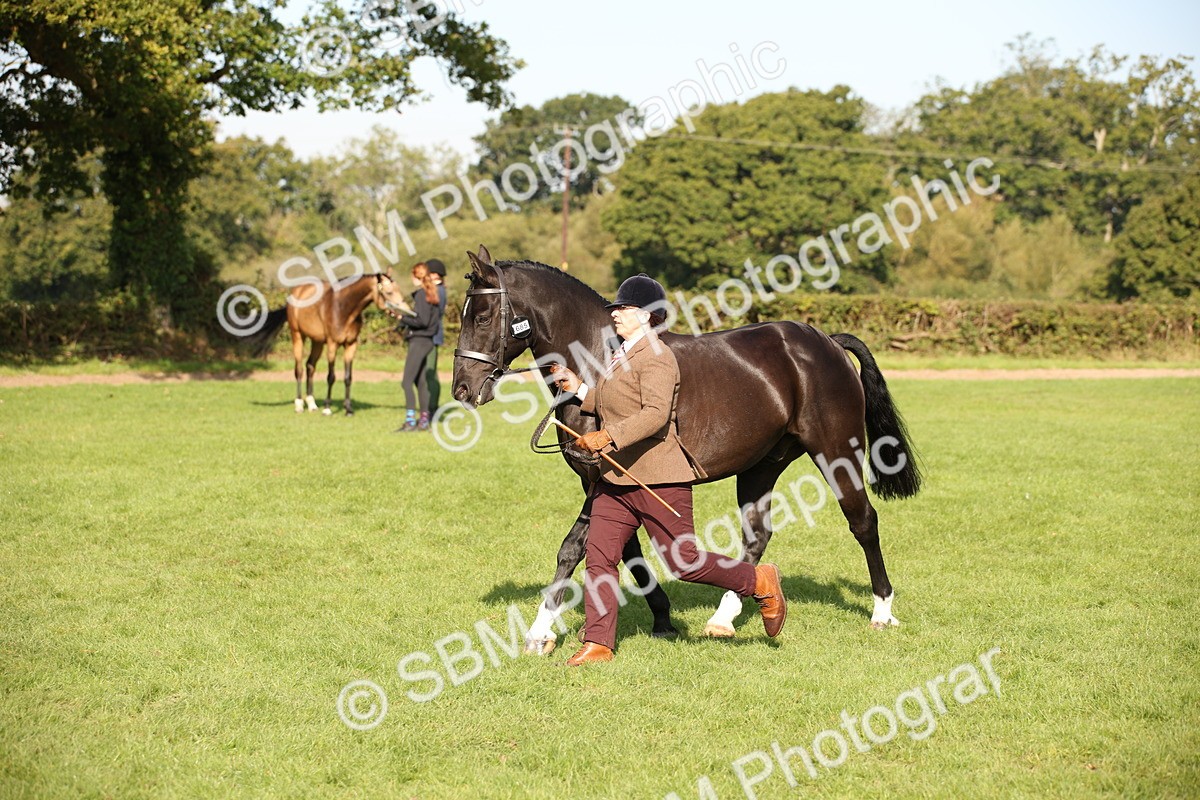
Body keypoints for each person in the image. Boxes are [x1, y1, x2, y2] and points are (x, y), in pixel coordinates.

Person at [551, 273, 786, 666]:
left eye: (624, 309)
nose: (616, 315)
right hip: (617, 477)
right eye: (616, 309)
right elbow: (615, 403)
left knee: (685, 563)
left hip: (660, 476)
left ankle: (759, 581)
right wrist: (578, 390)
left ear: (646, 316)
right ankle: (599, 643)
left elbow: (655, 416)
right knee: (600, 555)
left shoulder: (659, 358)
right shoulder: (621, 354)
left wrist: (606, 438)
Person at [395, 262, 444, 432]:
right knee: (421, 382)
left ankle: (410, 421)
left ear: (417, 276)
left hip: (419, 341)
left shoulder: (422, 294)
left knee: (406, 382)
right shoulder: (431, 293)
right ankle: (423, 422)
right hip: (427, 341)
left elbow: (421, 321)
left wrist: (402, 317)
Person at [424, 259, 448, 414]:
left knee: (430, 372)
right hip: (433, 335)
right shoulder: (439, 289)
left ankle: (432, 408)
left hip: (431, 335)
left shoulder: (438, 291)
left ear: (434, 274)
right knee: (430, 373)